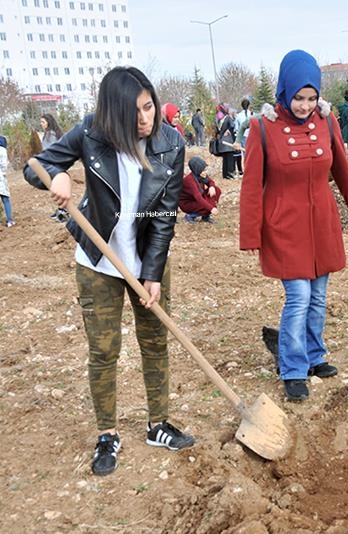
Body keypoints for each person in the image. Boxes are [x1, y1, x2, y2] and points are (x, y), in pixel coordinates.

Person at [22, 66, 193, 476]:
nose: (146, 118)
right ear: (113, 114)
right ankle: (107, 433)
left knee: (155, 341)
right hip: (98, 261)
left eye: (149, 107)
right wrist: (58, 175)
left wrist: (152, 272)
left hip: (147, 259)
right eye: (135, 112)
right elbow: (35, 166)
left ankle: (158, 424)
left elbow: (164, 215)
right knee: (103, 351)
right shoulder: (90, 133)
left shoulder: (171, 144)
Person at [239, 50, 348, 402]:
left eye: (312, 98)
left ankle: (315, 355)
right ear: (285, 91)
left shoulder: (327, 122)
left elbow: (343, 172)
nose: (305, 105)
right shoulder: (262, 127)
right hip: (284, 225)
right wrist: (251, 233)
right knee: (298, 297)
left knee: (318, 297)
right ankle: (293, 368)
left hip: (321, 223)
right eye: (299, 98)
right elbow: (252, 184)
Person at [40, 114, 69, 223]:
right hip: (55, 165)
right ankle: (61, 210)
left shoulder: (51, 135)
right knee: (57, 189)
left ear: (48, 122)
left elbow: (51, 151)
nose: (41, 124)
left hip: (54, 165)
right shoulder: (48, 134)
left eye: (43, 122)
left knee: (58, 189)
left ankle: (63, 212)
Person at [179, 156, 221, 223]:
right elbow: (198, 197)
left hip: (198, 197)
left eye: (204, 170)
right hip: (188, 203)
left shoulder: (200, 175)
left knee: (216, 190)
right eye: (203, 170)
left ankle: (205, 217)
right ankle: (190, 216)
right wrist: (211, 208)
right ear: (197, 170)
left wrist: (211, 187)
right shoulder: (190, 180)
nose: (205, 172)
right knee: (207, 206)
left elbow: (210, 182)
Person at [216, 105, 238, 179]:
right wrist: (228, 130)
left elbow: (217, 130)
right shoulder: (228, 118)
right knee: (230, 159)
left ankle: (225, 174)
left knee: (225, 159)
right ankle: (230, 174)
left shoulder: (218, 119)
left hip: (221, 141)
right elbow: (232, 125)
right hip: (228, 141)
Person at [0, 135, 13, 228]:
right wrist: (3, 173)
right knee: (5, 199)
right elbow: (4, 164)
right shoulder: (2, 150)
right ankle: (10, 220)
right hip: (0, 177)